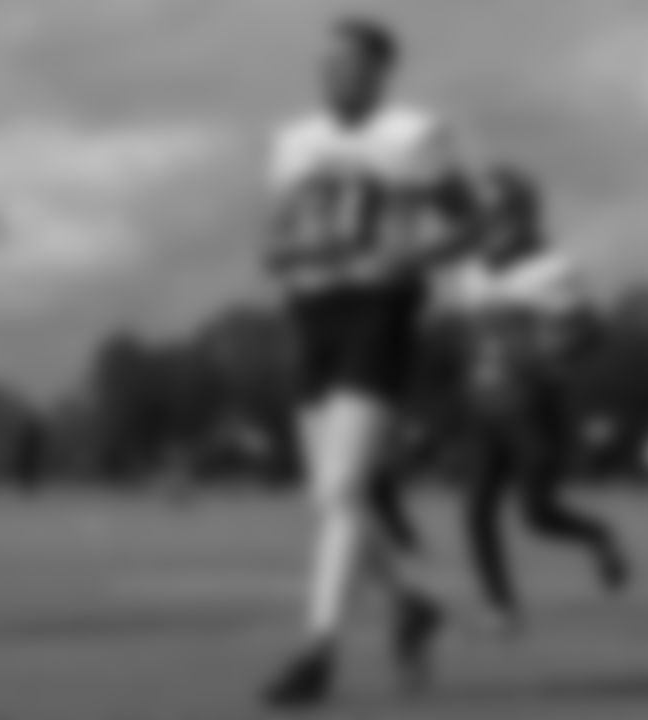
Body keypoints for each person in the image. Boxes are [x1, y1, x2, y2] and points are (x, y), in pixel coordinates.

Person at [261, 17, 478, 707]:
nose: (333, 74)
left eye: (350, 63)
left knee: (338, 488)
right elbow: (281, 224)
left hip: (377, 313)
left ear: (382, 72)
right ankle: (413, 602)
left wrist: (415, 255)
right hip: (311, 316)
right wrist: (278, 254)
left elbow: (470, 222)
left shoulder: (414, 136)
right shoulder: (292, 141)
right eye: (326, 62)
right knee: (329, 498)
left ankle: (318, 649)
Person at [445, 164, 630, 633]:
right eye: (485, 214)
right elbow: (466, 342)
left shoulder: (553, 268)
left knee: (536, 514)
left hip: (534, 407)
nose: (492, 223)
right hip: (484, 407)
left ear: (525, 215)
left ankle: (598, 536)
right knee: (476, 508)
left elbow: (592, 332)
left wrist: (555, 346)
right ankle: (501, 606)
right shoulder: (468, 272)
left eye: (502, 212)